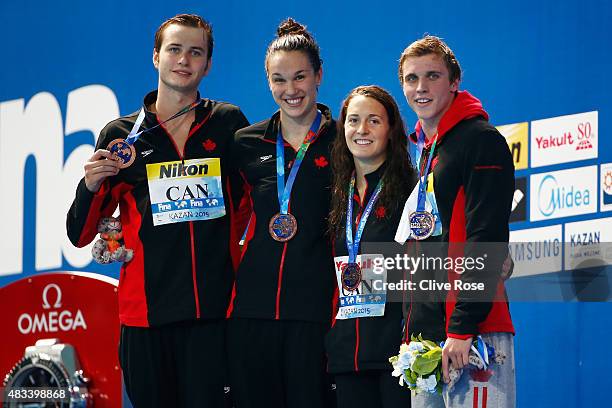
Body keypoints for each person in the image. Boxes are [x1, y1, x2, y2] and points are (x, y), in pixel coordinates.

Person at [66, 14, 249, 407]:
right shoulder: (120, 136)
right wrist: (91, 186)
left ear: (208, 64)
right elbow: (79, 235)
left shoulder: (227, 123)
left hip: (214, 316)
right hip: (144, 321)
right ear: (156, 57)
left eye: (195, 52)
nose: (184, 59)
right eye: (175, 49)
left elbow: (248, 206)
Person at [396, 35, 516, 408]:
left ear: (454, 82)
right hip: (427, 340)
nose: (421, 87)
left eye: (432, 76)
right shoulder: (425, 151)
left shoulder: (480, 140)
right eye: (411, 79)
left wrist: (463, 324)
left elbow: (486, 236)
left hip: (471, 333)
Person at [226, 18, 336, 408]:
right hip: (252, 311)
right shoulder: (245, 142)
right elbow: (225, 215)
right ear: (268, 81)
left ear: (319, 75)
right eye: (278, 79)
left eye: (299, 77)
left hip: (315, 310)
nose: (290, 90)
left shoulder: (342, 142)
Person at [325, 85, 415, 408]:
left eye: (373, 121)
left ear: (391, 131)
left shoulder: (411, 191)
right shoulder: (336, 194)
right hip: (348, 355)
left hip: (398, 356)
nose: (361, 130)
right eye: (353, 120)